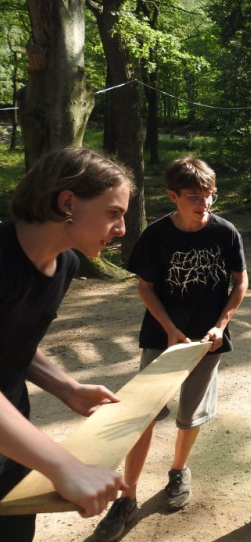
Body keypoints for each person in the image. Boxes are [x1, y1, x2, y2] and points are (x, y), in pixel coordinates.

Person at [94, 157, 248, 542]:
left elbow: (241, 282)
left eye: (209, 195)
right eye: (194, 196)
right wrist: (170, 330)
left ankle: (179, 470)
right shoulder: (157, 235)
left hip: (208, 340)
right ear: (173, 196)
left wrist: (221, 325)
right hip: (162, 338)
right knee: (144, 415)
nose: (204, 203)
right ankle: (127, 496)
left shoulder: (226, 232)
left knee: (190, 415)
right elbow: (145, 287)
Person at [1, 147, 132, 542]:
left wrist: (67, 388)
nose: (122, 229)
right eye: (113, 213)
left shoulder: (66, 265)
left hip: (12, 446)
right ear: (68, 203)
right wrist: (63, 465)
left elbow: (14, 340)